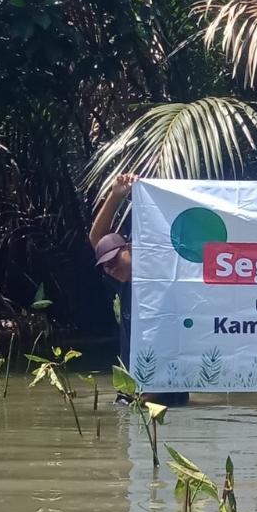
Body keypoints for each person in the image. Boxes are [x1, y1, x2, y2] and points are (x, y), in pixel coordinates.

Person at [90, 173, 189, 406]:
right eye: (105, 266)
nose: (111, 269)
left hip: (169, 390)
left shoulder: (167, 280)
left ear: (132, 249)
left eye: (115, 261)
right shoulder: (123, 283)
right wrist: (115, 195)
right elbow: (97, 238)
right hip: (132, 390)